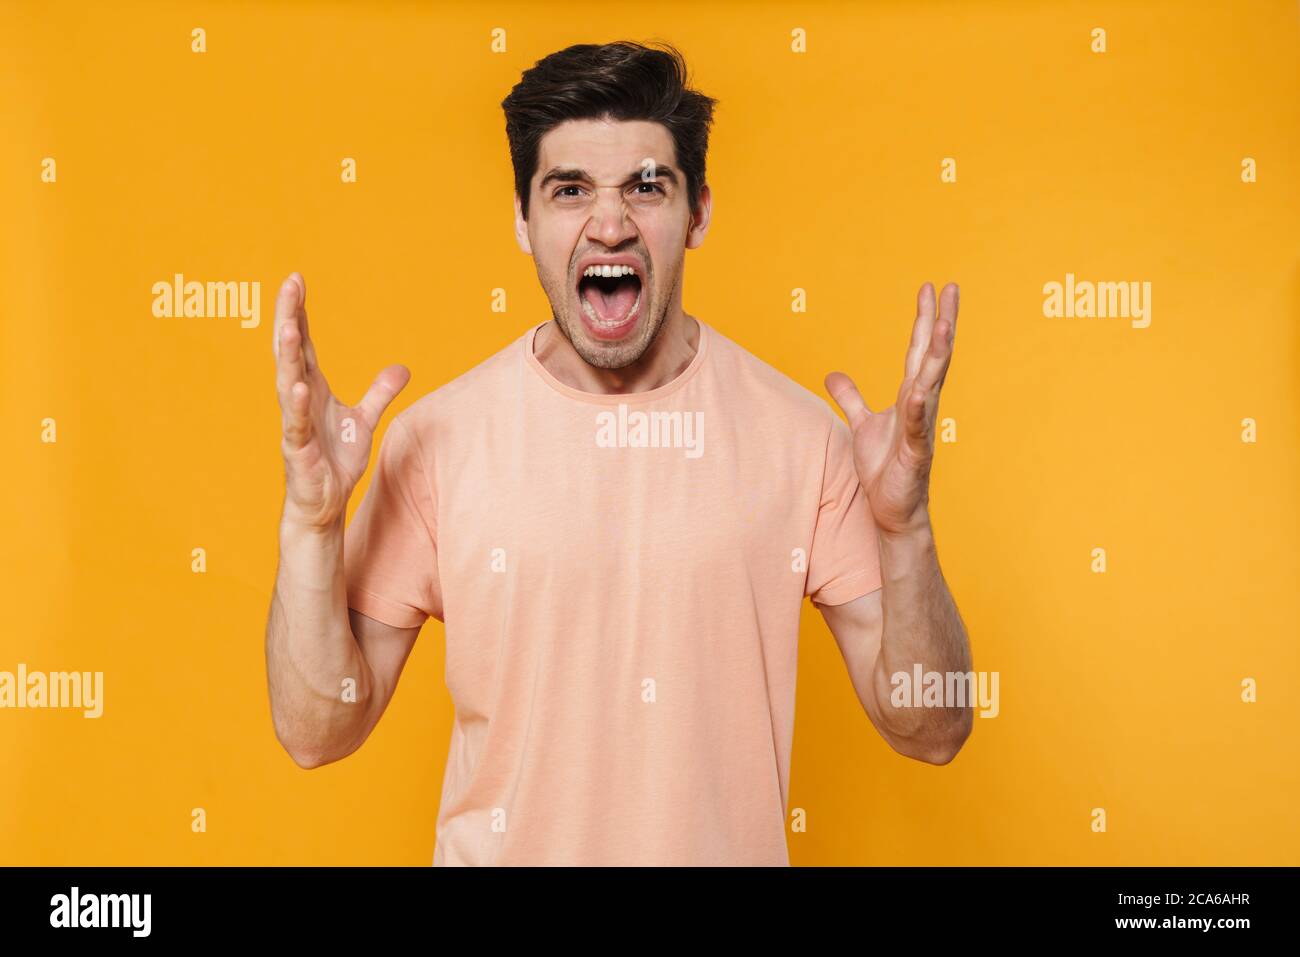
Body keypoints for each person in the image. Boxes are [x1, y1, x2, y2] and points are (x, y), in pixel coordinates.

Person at [264, 40, 972, 866]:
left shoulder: (802, 437)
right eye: (570, 190)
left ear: (698, 212)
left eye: (646, 185)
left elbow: (933, 728)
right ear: (524, 219)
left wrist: (907, 528)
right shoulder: (437, 441)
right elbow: (317, 731)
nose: (609, 223)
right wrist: (313, 525)